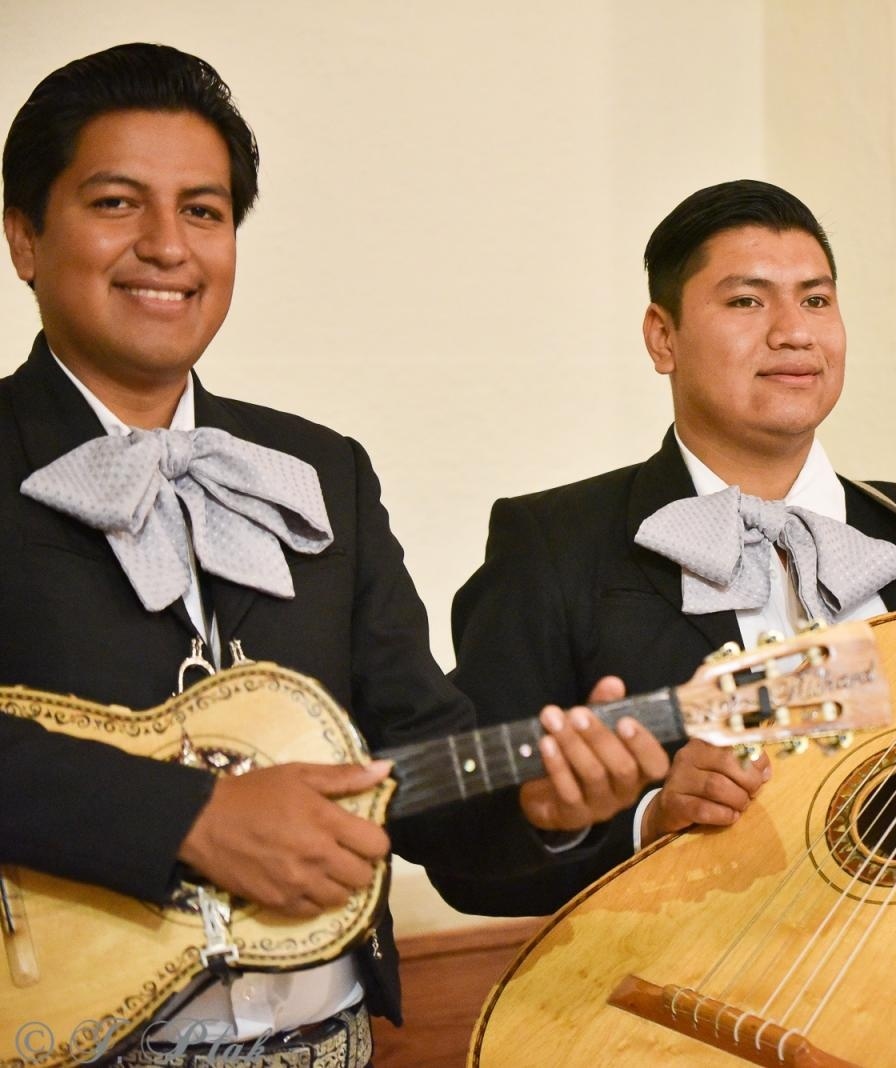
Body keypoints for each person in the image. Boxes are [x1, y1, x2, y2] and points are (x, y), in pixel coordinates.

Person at [0, 44, 665, 1065]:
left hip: (330, 1042)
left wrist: (541, 805)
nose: (168, 245)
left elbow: (411, 750)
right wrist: (188, 814)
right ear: (25, 239)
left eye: (205, 211)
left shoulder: (322, 469)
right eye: (116, 204)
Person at [446, 178, 896, 914]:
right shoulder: (552, 544)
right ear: (663, 337)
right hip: (679, 1011)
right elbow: (465, 851)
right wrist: (648, 823)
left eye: (816, 299)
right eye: (747, 301)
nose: (794, 332)